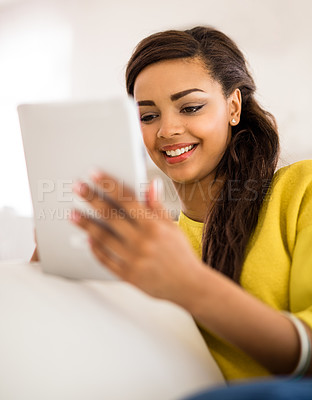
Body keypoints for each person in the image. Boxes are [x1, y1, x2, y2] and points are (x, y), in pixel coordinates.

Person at [68, 26, 312, 381]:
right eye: (147, 116)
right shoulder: (152, 244)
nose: (167, 130)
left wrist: (188, 284)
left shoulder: (300, 190)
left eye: (191, 107)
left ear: (233, 106)